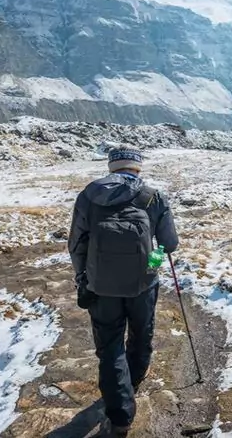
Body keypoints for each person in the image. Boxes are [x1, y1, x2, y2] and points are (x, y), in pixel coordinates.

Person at [68, 145, 179, 437]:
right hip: (143, 284)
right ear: (137, 167)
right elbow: (169, 243)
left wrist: (83, 277)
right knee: (141, 333)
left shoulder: (89, 195)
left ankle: (120, 417)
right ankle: (135, 378)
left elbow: (77, 244)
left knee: (110, 347)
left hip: (101, 286)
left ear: (111, 167)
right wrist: (152, 265)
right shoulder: (153, 196)